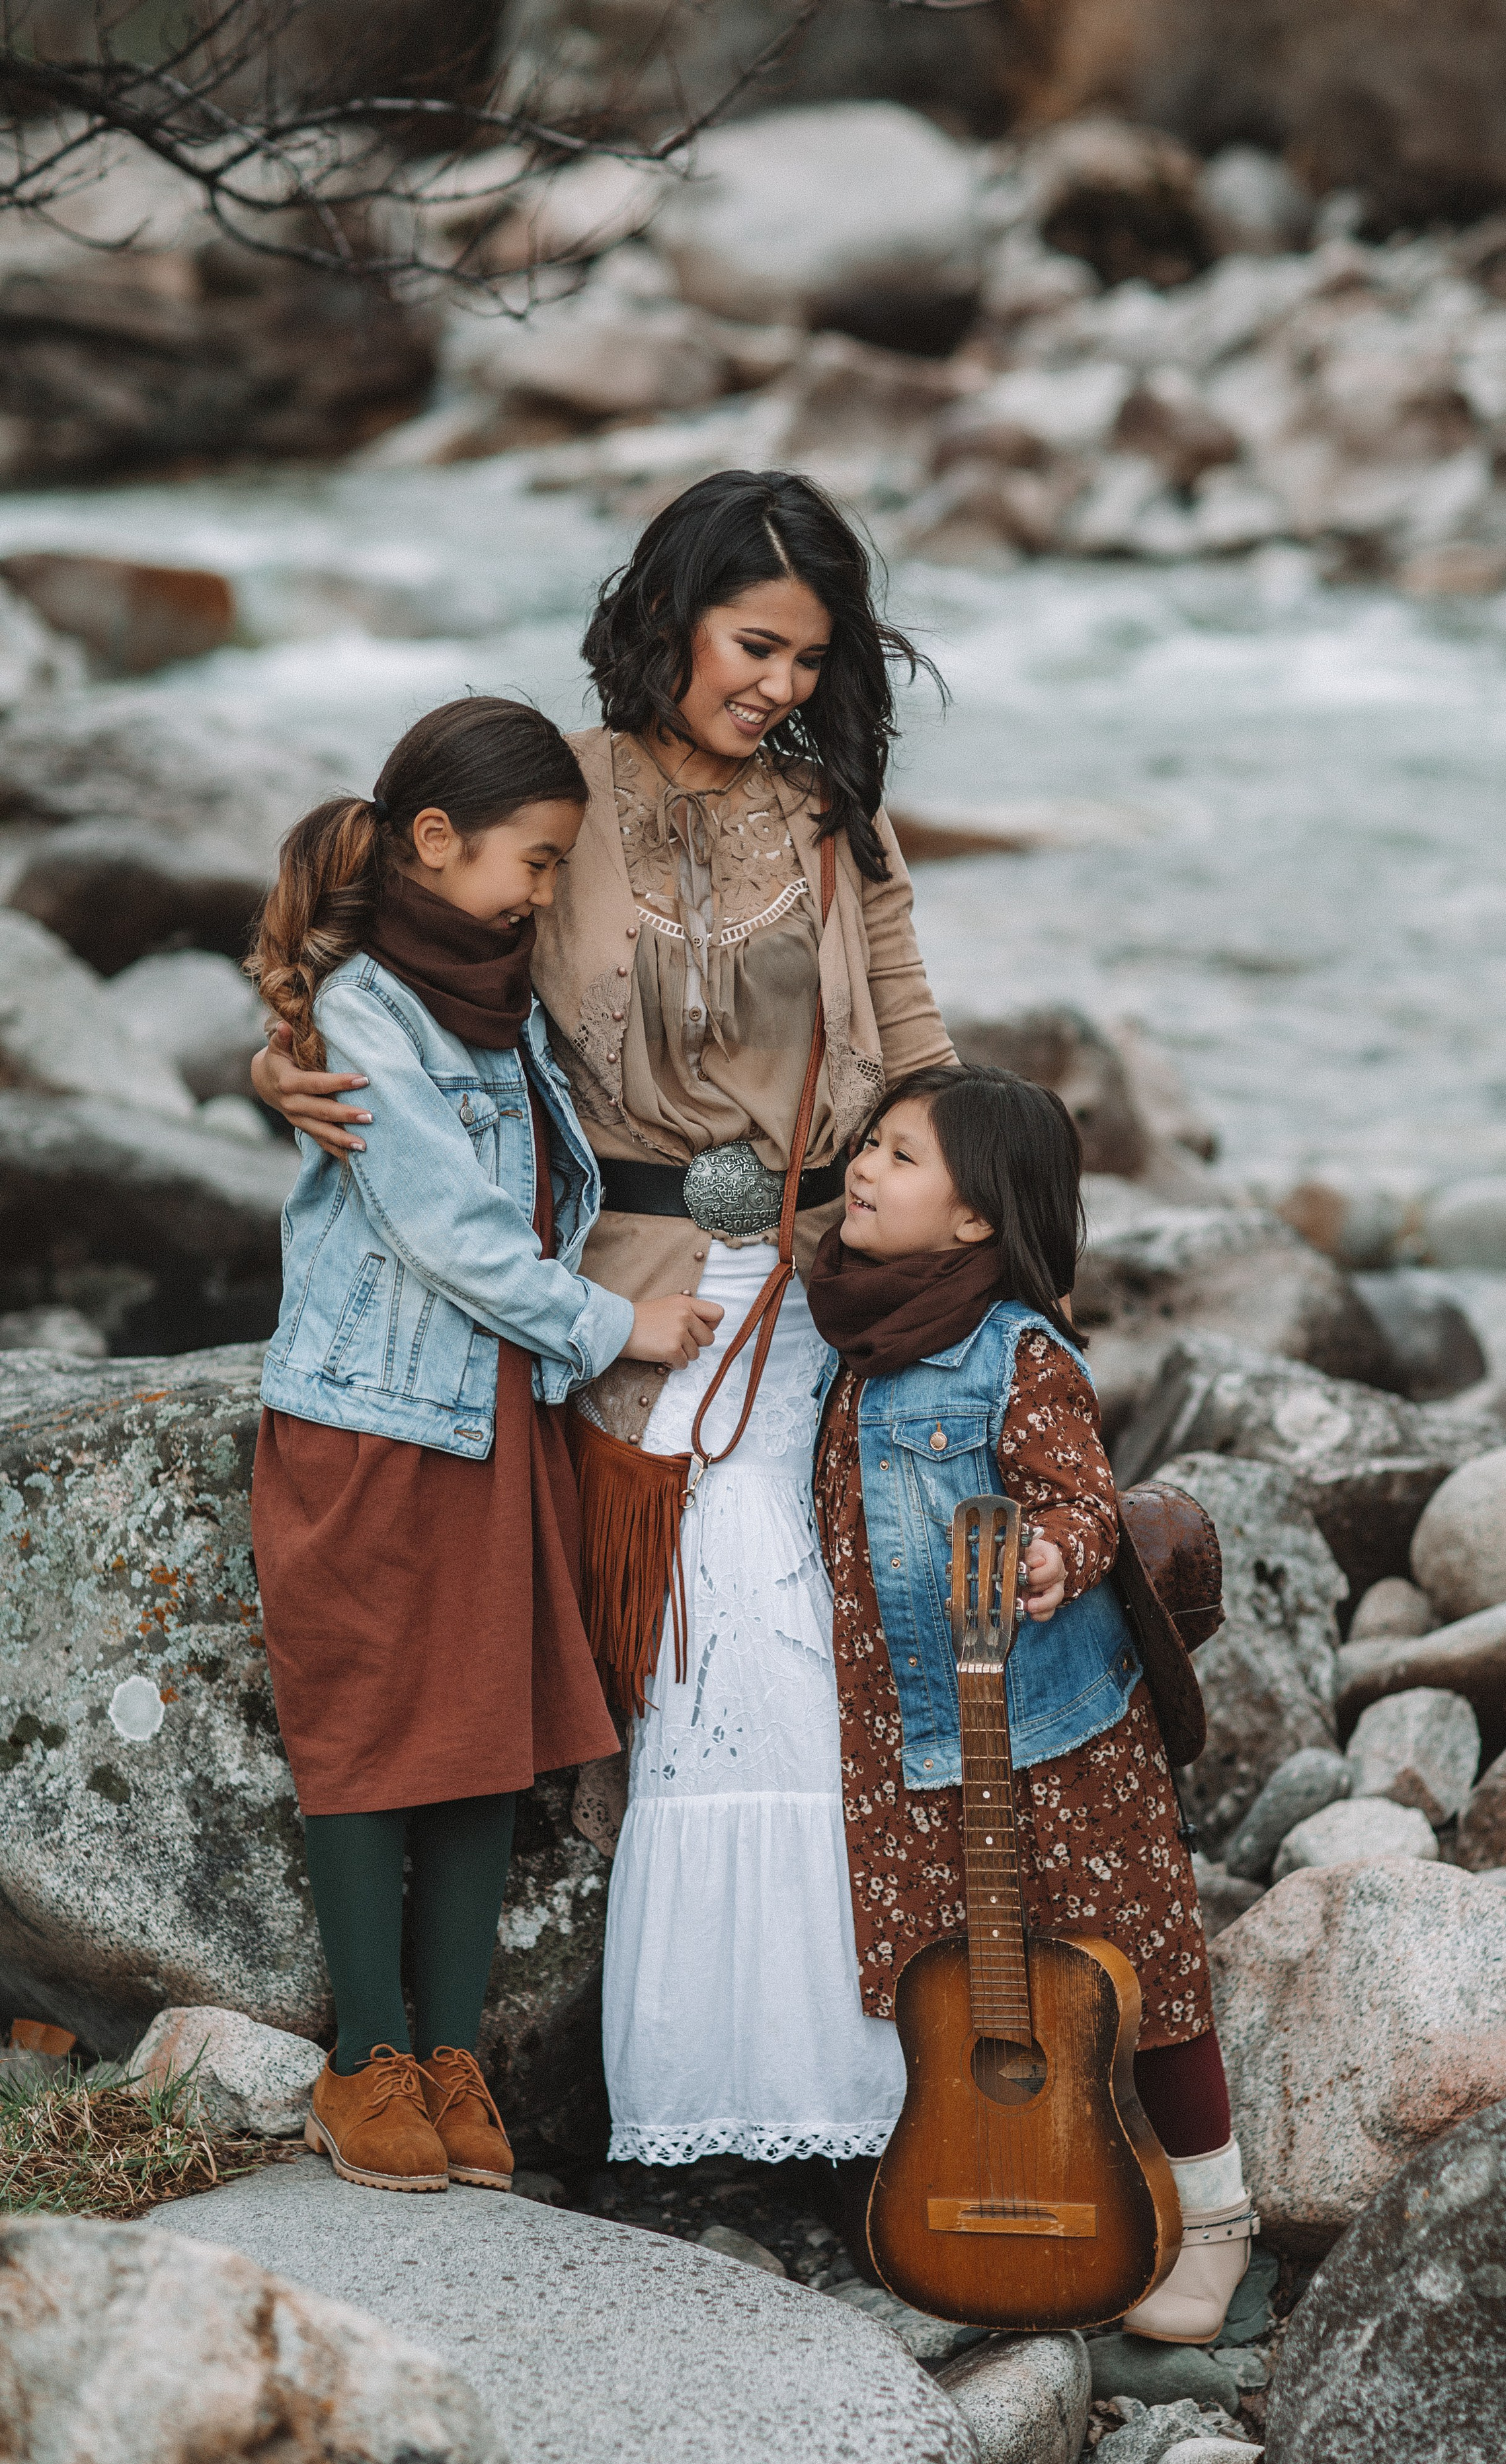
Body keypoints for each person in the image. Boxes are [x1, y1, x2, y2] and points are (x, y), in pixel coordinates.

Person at [252, 472, 955, 2175]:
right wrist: (280, 1062)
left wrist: (993, 1243)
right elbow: (389, 959)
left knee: (813, 1656)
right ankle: (685, 2108)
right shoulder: (553, 796)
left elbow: (917, 1038)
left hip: (819, 1281)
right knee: (702, 1662)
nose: (781, 684)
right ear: (671, 617)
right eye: (754, 643)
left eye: (811, 657)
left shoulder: (836, 817)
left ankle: (834, 2106)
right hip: (619, 1295)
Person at [247, 694, 717, 2196]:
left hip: (494, 1424)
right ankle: (365, 2059)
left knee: (480, 1739)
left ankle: (452, 2055)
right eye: (537, 860)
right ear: (436, 841)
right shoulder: (367, 1013)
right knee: (367, 1734)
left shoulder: (500, 1004)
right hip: (377, 1427)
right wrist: (614, 1325)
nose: (546, 892)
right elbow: (444, 1227)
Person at [805, 1063, 1256, 2342]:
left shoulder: (1015, 1352)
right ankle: (1004, 2178)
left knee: (1138, 1966)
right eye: (869, 1142)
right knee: (947, 1976)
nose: (864, 1167)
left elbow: (1081, 1499)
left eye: (901, 1156)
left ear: (975, 1220)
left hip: (1052, 1729)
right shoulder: (850, 1330)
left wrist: (1056, 1553)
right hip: (903, 1732)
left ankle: (1216, 2215)